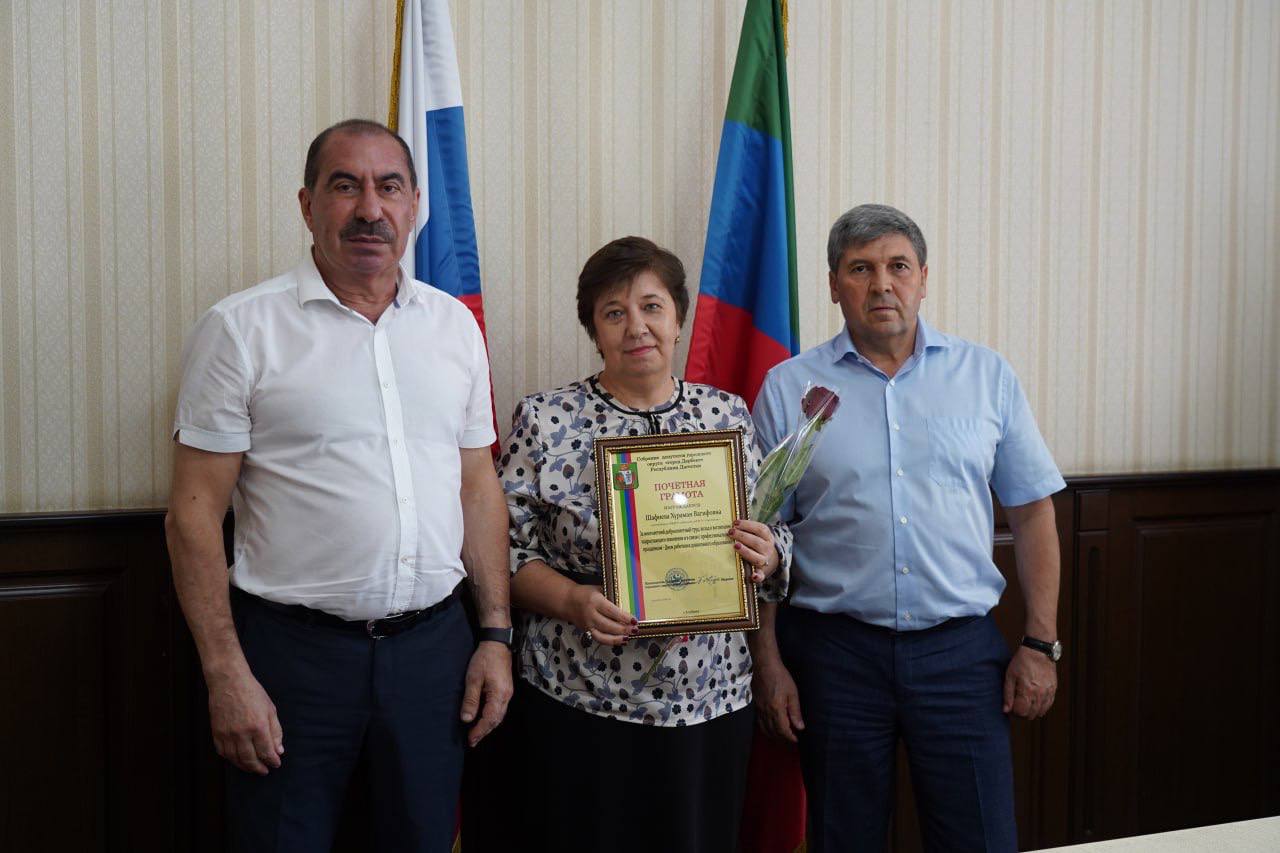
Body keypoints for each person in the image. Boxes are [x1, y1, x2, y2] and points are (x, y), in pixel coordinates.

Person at [164, 118, 513, 853]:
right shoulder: (241, 330)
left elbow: (477, 487)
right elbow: (193, 515)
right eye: (345, 186)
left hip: (433, 657)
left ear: (414, 204)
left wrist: (494, 636)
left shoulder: (453, 327)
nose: (369, 208)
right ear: (307, 204)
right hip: (292, 661)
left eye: (389, 187)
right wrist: (225, 673)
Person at [750, 204, 1065, 852]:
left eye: (898, 266)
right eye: (860, 269)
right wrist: (769, 661)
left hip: (960, 656)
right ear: (833, 284)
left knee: (981, 837)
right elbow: (762, 538)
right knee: (843, 837)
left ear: (924, 278)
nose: (881, 284)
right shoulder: (787, 388)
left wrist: (1041, 642)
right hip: (834, 657)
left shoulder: (986, 376)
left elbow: (1033, 511)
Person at [495, 237, 792, 853]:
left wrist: (768, 553)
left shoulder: (727, 416)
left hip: (711, 700)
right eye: (614, 312)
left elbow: (774, 530)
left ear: (679, 319)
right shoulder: (546, 420)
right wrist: (573, 600)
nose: (636, 327)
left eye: (652, 307)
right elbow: (505, 554)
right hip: (582, 696)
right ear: (594, 329)